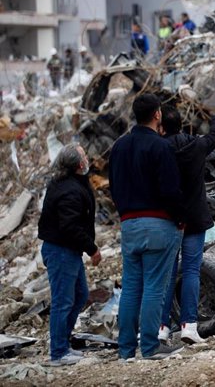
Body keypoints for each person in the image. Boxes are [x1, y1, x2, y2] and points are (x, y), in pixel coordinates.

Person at [108, 93, 184, 361]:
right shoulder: (160, 147)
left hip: (129, 224)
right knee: (154, 286)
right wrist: (180, 218)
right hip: (158, 224)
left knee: (130, 287)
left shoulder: (119, 147)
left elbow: (113, 187)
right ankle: (150, 346)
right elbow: (170, 190)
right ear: (158, 115)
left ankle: (126, 349)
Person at [158, 106, 215, 345]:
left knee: (167, 274)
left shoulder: (159, 149)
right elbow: (214, 137)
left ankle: (162, 328)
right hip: (195, 219)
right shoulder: (196, 146)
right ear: (183, 125)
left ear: (161, 127)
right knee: (191, 270)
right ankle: (189, 326)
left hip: (168, 220)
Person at [38, 143, 102, 366]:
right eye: (84, 155)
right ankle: (58, 352)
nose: (87, 158)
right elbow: (69, 226)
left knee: (80, 295)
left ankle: (63, 343)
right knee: (63, 301)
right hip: (61, 251)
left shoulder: (69, 183)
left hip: (67, 251)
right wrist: (92, 249)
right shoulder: (69, 190)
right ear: (78, 164)